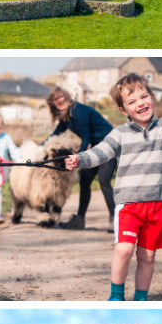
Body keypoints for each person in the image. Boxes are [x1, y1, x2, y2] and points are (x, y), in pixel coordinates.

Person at [64, 73, 162, 302]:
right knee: (123, 250)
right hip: (128, 205)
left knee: (148, 256)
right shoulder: (120, 134)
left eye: (144, 96)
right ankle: (116, 297)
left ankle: (140, 299)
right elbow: (101, 152)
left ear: (152, 97)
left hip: (158, 205)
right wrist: (80, 159)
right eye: (132, 102)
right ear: (123, 110)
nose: (140, 103)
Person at [46, 87, 116, 231]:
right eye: (55, 99)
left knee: (104, 181)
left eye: (61, 96)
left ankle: (115, 219)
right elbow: (55, 134)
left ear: (67, 96)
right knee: (85, 180)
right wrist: (40, 148)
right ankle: (80, 219)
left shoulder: (79, 111)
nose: (59, 100)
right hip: (97, 147)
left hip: (110, 146)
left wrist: (78, 158)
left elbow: (86, 137)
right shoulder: (66, 116)